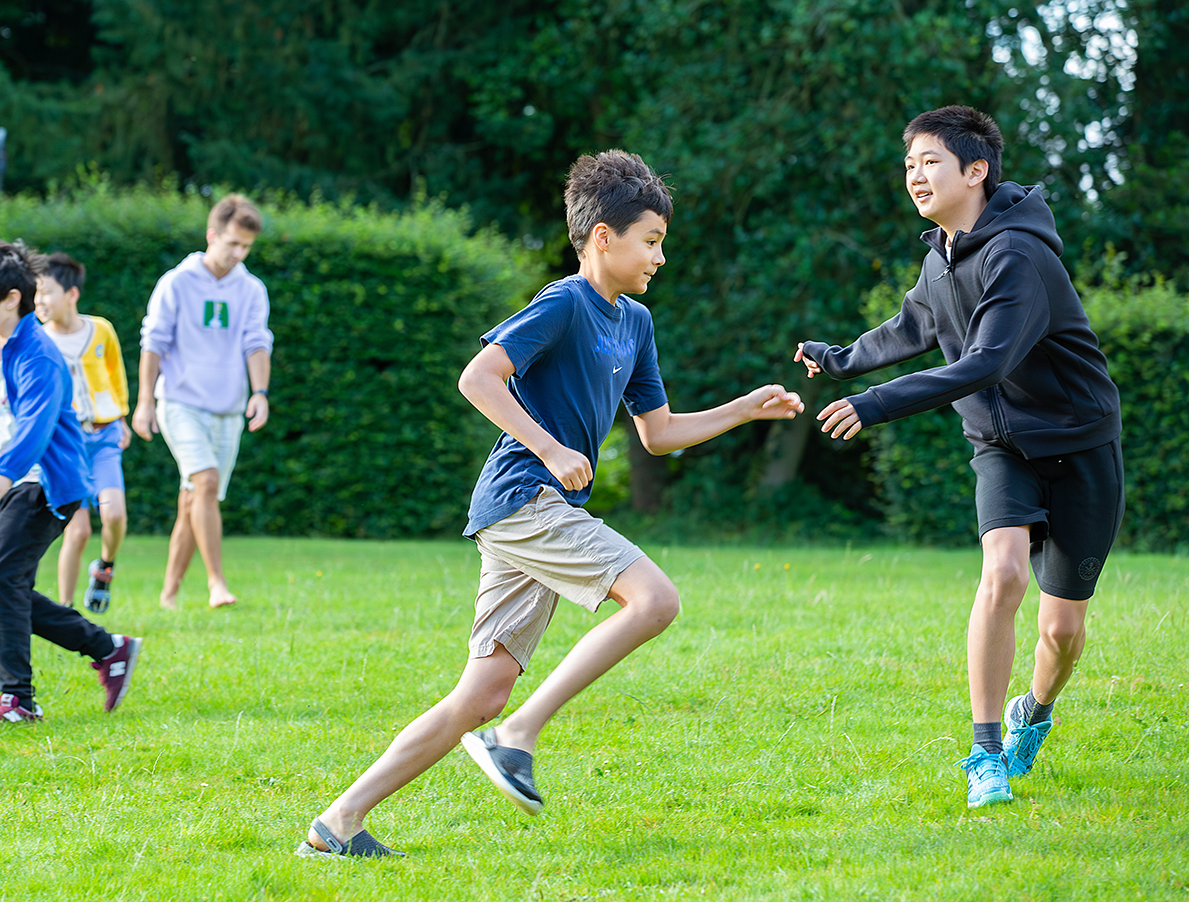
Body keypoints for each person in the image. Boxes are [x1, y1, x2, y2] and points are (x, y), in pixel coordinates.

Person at [297, 150, 804, 858]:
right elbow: (479, 378)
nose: (660, 256)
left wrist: (743, 409)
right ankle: (517, 735)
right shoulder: (564, 303)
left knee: (480, 694)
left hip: (531, 513)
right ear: (603, 236)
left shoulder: (635, 323)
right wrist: (549, 447)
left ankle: (337, 824)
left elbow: (657, 433)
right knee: (655, 600)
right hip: (523, 498)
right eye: (651, 240)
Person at [795, 105, 1124, 809]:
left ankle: (1034, 711)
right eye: (909, 164)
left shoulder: (1018, 256)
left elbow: (985, 362)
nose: (915, 175)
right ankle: (985, 752)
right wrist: (840, 359)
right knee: (1001, 574)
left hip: (1079, 447)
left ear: (975, 171)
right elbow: (911, 325)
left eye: (930, 162)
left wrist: (876, 403)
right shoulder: (939, 257)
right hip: (1001, 448)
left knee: (1062, 630)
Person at [0, 240, 142, 724]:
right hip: (21, 480)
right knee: (8, 584)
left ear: (10, 299)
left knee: (3, 578)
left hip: (44, 484)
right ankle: (108, 648)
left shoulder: (36, 354)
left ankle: (17, 698)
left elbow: (34, 433)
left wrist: (2, 476)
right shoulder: (8, 344)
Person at [131, 194, 273, 609]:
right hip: (180, 403)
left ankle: (169, 594)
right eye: (232, 243)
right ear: (212, 235)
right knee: (206, 482)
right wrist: (144, 402)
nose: (239, 253)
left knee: (194, 499)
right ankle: (217, 584)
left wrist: (260, 393)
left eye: (246, 246)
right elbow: (153, 343)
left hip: (228, 408)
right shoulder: (176, 282)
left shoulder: (252, 289)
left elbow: (257, 343)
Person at [34, 253, 131, 613]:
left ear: (72, 294)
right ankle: (66, 610)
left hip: (104, 437)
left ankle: (104, 568)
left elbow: (116, 373)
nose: (39, 300)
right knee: (77, 531)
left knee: (114, 514)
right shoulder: (39, 340)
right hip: (66, 444)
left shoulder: (101, 330)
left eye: (47, 292)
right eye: (36, 293)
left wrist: (121, 417)